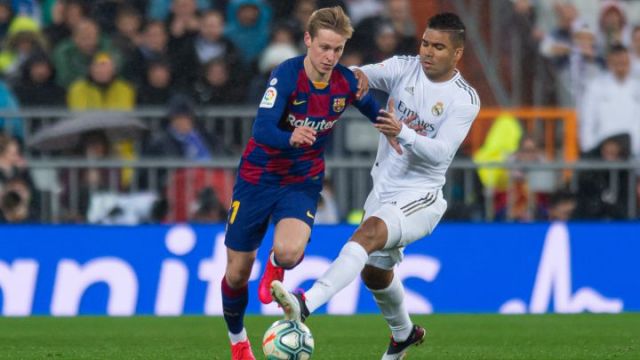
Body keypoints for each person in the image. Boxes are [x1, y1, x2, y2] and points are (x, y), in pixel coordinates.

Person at [270, 12, 480, 360]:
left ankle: (305, 304)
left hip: (422, 196)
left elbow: (441, 154)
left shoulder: (464, 99)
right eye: (425, 43)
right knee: (375, 272)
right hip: (383, 188)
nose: (427, 52)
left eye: (438, 47)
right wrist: (354, 78)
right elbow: (358, 76)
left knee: (366, 236)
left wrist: (404, 133)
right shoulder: (405, 67)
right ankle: (404, 334)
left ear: (456, 54)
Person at [220, 6, 387, 360]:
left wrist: (399, 129)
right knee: (236, 274)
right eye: (324, 47)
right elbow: (261, 129)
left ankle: (275, 267)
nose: (330, 57)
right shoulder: (286, 75)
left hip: (302, 178)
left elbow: (373, 109)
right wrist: (289, 136)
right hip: (259, 176)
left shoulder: (344, 82)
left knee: (290, 252)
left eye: (338, 49)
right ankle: (238, 343)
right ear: (308, 40)